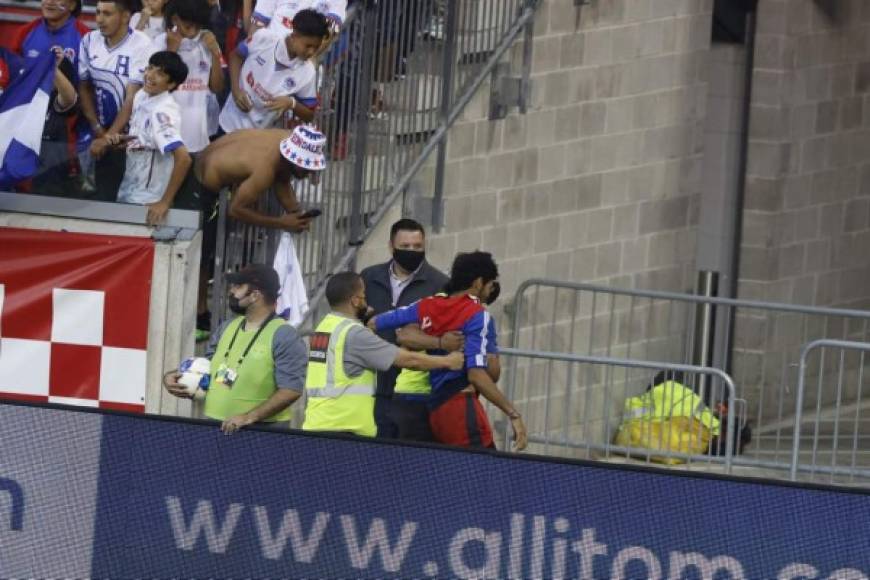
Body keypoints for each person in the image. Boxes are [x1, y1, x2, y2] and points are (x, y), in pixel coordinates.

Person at [370, 251, 528, 451]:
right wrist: (513, 414)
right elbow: (477, 374)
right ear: (478, 283)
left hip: (437, 408)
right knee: (485, 474)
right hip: (460, 406)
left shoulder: (426, 305)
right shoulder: (478, 315)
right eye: (490, 284)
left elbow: (376, 322)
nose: (490, 290)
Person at [190, 125, 325, 339]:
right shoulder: (265, 169)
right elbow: (236, 209)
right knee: (205, 254)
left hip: (213, 156)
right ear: (295, 161)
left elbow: (282, 180)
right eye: (306, 170)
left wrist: (295, 212)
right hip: (201, 182)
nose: (308, 175)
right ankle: (199, 314)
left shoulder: (285, 140)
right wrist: (282, 222)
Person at [302, 271, 464, 438]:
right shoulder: (354, 334)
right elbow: (407, 360)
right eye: (363, 296)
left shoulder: (324, 327)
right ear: (355, 301)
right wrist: (448, 361)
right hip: (343, 429)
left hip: (318, 424)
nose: (367, 301)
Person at [163, 264, 307, 433]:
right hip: (214, 424)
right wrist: (174, 377)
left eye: (238, 286)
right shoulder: (228, 326)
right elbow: (207, 366)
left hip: (260, 431)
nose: (231, 291)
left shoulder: (284, 335)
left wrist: (249, 417)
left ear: (255, 295)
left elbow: (291, 390)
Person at [359, 218, 449, 438]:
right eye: (405, 246)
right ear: (391, 246)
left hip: (413, 396)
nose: (412, 251)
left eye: (417, 246)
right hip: (372, 387)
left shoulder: (439, 284)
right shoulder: (369, 277)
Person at [13, 0, 91, 194]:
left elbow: (88, 88)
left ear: (72, 5)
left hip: (65, 127)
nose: (49, 2)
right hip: (24, 125)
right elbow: (11, 79)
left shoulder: (85, 37)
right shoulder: (25, 32)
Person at [79, 0, 154, 200]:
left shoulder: (142, 44)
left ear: (126, 16)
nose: (99, 20)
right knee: (95, 198)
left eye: (107, 14)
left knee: (124, 200)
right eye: (97, 12)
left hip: (129, 139)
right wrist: (98, 129)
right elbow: (84, 87)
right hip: (97, 134)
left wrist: (108, 137)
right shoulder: (88, 40)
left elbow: (133, 96)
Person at [110, 51, 192, 225]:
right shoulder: (142, 96)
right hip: (127, 191)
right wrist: (127, 141)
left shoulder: (162, 111)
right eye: (150, 68)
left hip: (148, 203)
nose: (150, 75)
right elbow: (148, 139)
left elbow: (184, 158)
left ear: (171, 84)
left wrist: (164, 202)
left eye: (160, 73)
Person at [218, 8, 326, 133]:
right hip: (228, 120)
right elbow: (235, 56)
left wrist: (291, 104)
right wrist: (236, 90)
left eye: (316, 47)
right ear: (294, 35)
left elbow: (309, 115)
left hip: (256, 136)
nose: (311, 52)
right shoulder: (264, 38)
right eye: (308, 46)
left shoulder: (308, 73)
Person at [153, 0, 225, 155]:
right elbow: (155, 90)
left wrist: (215, 54)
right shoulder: (160, 43)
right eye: (187, 27)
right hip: (168, 133)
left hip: (198, 136)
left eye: (197, 27)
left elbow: (217, 87)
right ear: (174, 19)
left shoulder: (207, 42)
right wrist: (172, 52)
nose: (193, 33)